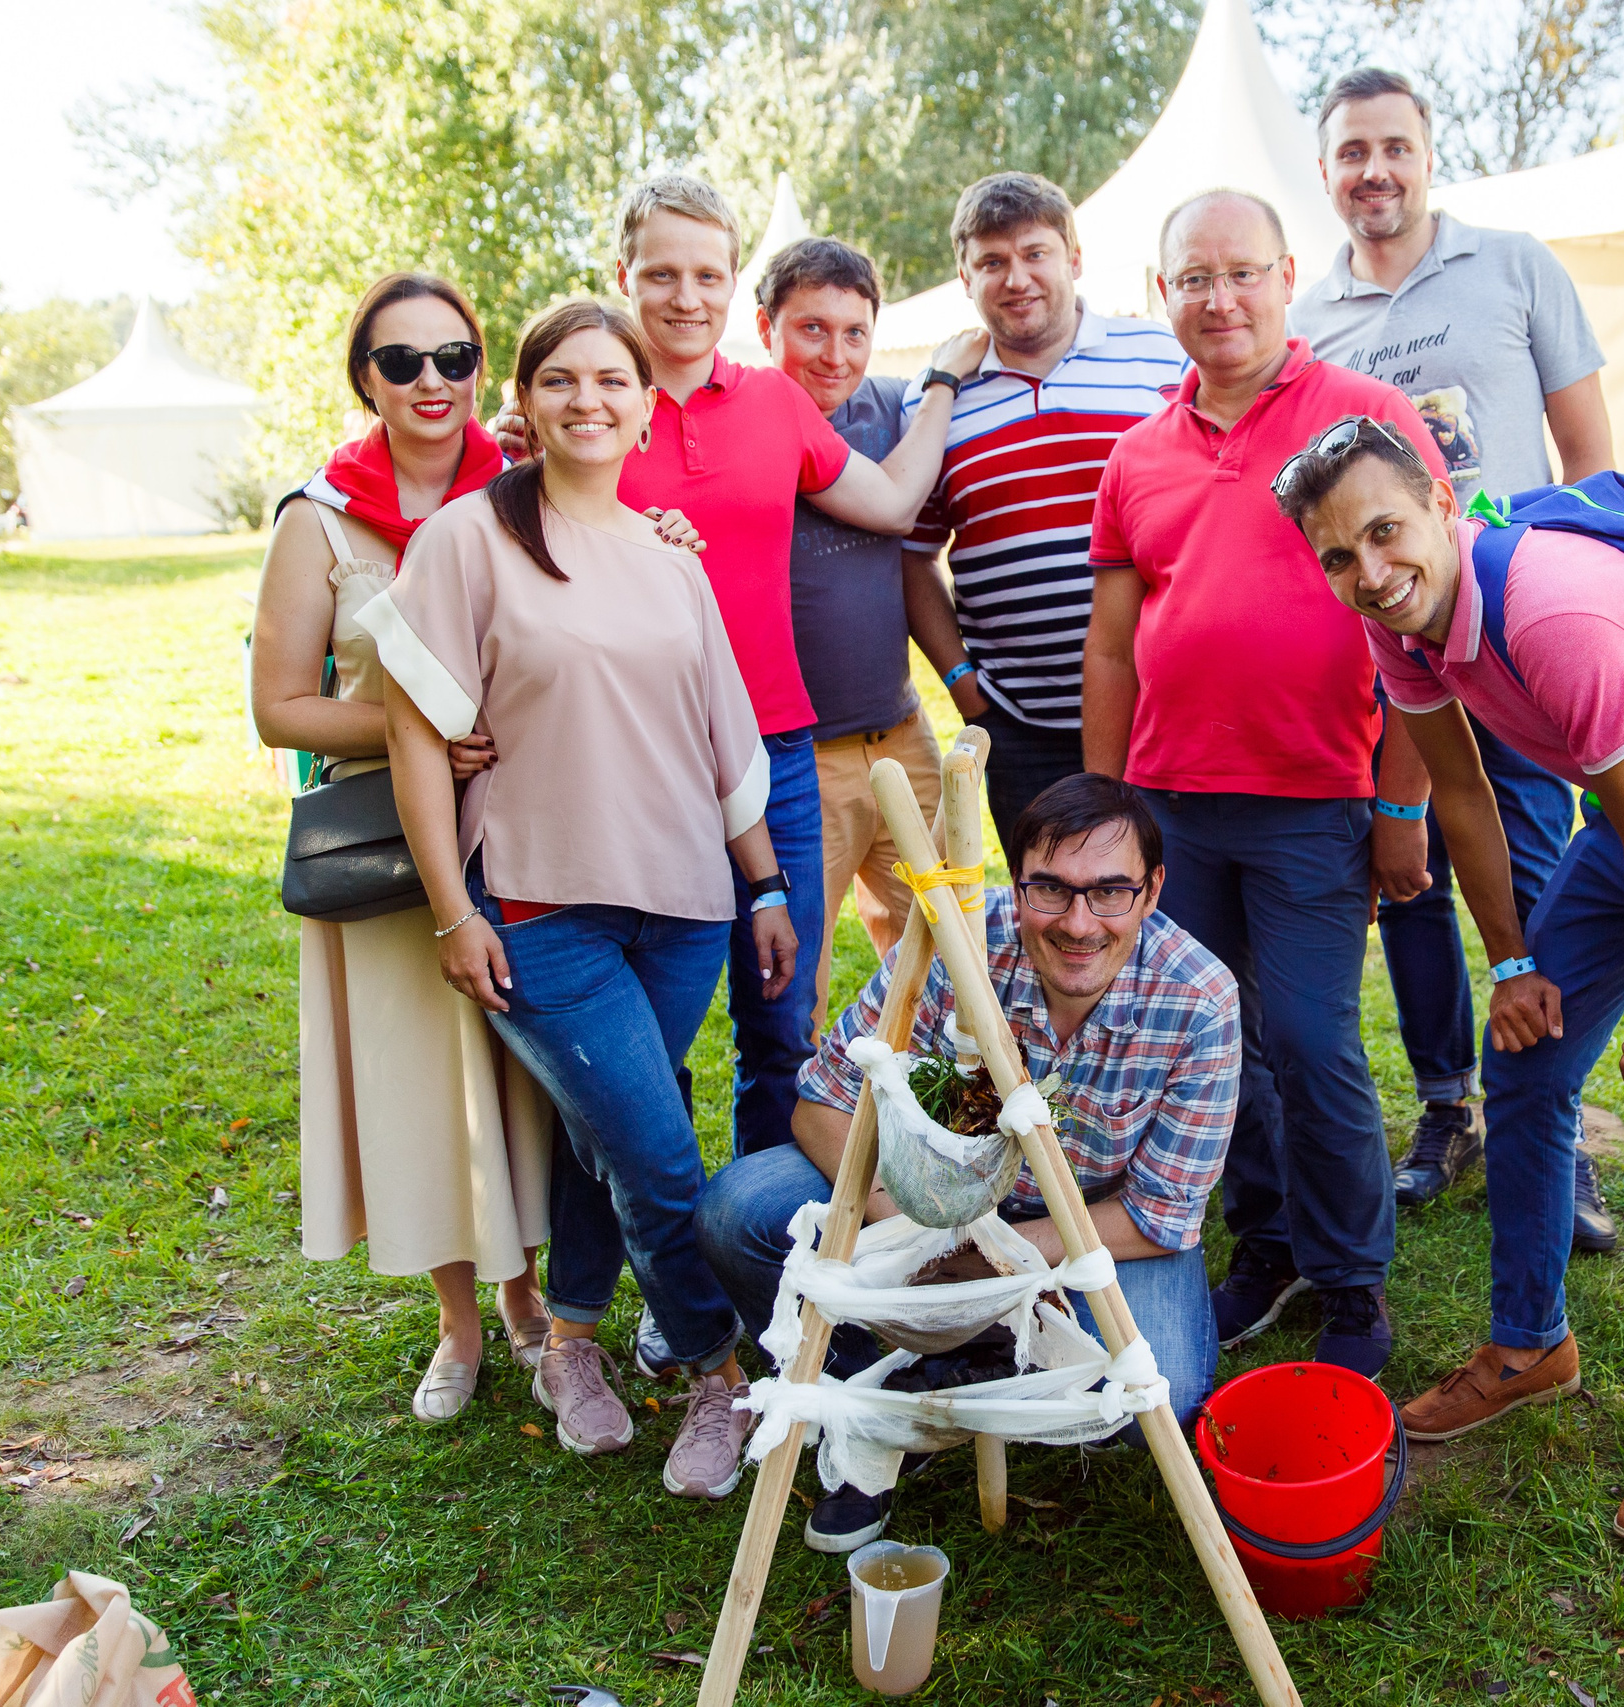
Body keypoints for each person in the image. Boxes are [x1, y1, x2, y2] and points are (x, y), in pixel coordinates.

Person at [1276, 418, 1624, 1543]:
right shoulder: (1405, 627)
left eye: (1384, 534)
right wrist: (1515, 963)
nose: (1369, 575)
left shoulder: (1552, 616)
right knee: (1525, 1064)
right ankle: (1530, 1344)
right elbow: (1464, 794)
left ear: (1442, 505)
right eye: (1338, 558)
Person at [370, 297, 800, 1502]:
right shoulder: (464, 541)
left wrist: (763, 882)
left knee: (604, 1131)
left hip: (683, 903)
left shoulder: (670, 558)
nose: (589, 401)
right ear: (527, 401)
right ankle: (721, 1372)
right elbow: (415, 737)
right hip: (537, 900)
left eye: (612, 381)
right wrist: (454, 910)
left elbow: (727, 745)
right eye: (561, 380)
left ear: (645, 402)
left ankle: (569, 1342)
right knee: (661, 1157)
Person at [493, 174, 982, 1172]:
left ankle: (763, 1239)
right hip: (628, 770)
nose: (685, 296)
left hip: (776, 758)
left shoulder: (772, 403)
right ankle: (646, 1247)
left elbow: (891, 504)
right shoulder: (582, 416)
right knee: (642, 1041)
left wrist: (935, 390)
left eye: (707, 274)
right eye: (662, 273)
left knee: (779, 1018)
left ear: (731, 287)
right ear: (621, 274)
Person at [1080, 190, 1447, 1379]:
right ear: (1162, 295)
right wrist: (1099, 814)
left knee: (1308, 1038)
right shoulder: (1136, 454)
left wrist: (1401, 803)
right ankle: (1267, 1242)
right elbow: (1110, 640)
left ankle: (1349, 1282)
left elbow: (1423, 632)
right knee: (1208, 1041)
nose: (1220, 298)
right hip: (1173, 803)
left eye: (1242, 273)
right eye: (1195, 279)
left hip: (1314, 802)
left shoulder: (1368, 417)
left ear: (1289, 277)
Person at [697, 773, 1238, 1551]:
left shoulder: (1201, 999)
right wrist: (918, 1238)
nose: (1080, 921)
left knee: (1160, 1394)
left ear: (1152, 890)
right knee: (735, 1211)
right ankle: (871, 1401)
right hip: (929, 1200)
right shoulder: (959, 945)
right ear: (1016, 886)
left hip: (1091, 1225)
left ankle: (961, 1360)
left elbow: (1162, 1213)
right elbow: (821, 1100)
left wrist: (1003, 1266)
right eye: (1051, 889)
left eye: (1110, 891)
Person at [1290, 68, 1619, 1246]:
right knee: (1412, 878)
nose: (1372, 171)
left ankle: (1557, 1128)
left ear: (1428, 154)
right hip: (1390, 644)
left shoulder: (1515, 265)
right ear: (1324, 171)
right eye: (1348, 154)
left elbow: (1587, 456)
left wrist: (1579, 601)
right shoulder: (1308, 318)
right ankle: (1447, 1108)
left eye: (1392, 147)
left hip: (1519, 637)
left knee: (1538, 882)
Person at [250, 271, 552, 1422]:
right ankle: (458, 1325)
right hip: (387, 832)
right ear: (364, 378)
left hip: (527, 824)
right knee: (420, 1079)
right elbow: (280, 706)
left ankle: (533, 1308)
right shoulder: (317, 518)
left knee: (521, 1078)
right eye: (402, 361)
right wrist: (413, 730)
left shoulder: (527, 490)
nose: (433, 381)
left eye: (454, 357)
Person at [899, 172, 1188, 849]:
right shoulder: (935, 399)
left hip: (1163, 711)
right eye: (992, 262)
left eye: (1035, 253)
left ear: (1075, 257)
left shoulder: (1164, 361)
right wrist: (966, 688)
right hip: (1022, 728)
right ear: (964, 276)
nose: (1016, 278)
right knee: (1063, 921)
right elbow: (911, 559)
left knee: (1181, 917)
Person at [752, 236, 945, 1026]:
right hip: (803, 762)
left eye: (854, 331)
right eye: (811, 329)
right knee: (792, 982)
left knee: (942, 950)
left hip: (901, 734)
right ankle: (794, 1137)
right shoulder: (740, 424)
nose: (835, 354)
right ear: (766, 326)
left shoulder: (895, 407)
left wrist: (949, 374)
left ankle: (925, 1121)